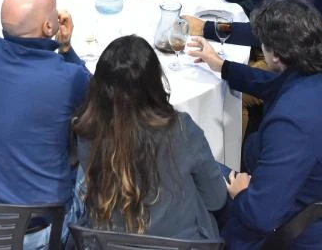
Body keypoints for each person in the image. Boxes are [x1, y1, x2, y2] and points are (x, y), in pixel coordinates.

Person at [187, 0, 322, 249]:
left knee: (195, 166)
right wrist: (222, 66)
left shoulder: (292, 121)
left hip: (306, 231)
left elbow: (260, 216)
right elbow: (275, 84)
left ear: (275, 55)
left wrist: (243, 194)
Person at [0, 0, 88, 243]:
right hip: (42, 225)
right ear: (48, 27)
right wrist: (66, 49)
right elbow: (101, 108)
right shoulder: (68, 76)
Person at [74, 35, 226, 239]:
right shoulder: (181, 128)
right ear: (154, 82)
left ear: (99, 86)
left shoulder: (87, 131)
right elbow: (215, 199)